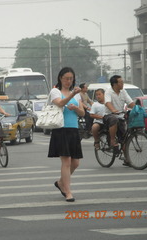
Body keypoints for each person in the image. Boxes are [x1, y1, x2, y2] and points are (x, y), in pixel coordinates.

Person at [48, 67, 85, 202]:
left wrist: (76, 107)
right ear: (60, 78)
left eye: (71, 79)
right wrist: (71, 96)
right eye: (66, 78)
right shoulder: (55, 91)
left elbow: (82, 113)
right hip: (60, 129)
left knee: (75, 163)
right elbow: (60, 103)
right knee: (67, 161)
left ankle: (60, 182)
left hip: (73, 130)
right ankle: (68, 191)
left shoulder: (77, 94)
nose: (69, 81)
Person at [104, 75, 135, 164]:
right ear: (114, 84)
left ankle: (126, 159)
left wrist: (137, 108)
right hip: (109, 115)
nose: (122, 84)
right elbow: (107, 102)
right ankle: (112, 140)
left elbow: (130, 102)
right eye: (121, 82)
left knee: (125, 138)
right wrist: (113, 110)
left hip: (121, 115)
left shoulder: (123, 91)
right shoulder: (108, 92)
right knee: (114, 119)